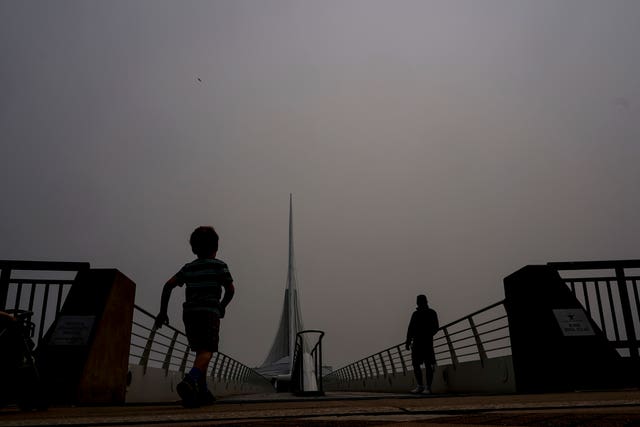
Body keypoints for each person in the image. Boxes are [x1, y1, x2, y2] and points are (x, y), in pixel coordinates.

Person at [154, 226, 235, 407]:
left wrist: (163, 312)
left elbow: (168, 286)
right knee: (208, 351)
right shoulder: (219, 266)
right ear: (216, 248)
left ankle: (203, 392)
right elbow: (230, 290)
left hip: (189, 314)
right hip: (209, 312)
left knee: (200, 352)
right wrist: (222, 306)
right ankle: (190, 381)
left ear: (193, 248)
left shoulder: (188, 268)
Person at [405, 294, 439, 394]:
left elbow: (436, 327)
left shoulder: (432, 313)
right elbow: (410, 329)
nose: (419, 303)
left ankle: (428, 387)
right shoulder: (415, 314)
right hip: (416, 343)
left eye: (421, 301)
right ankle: (420, 386)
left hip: (427, 342)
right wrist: (408, 341)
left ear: (425, 302)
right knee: (416, 364)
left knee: (428, 365)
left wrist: (428, 334)